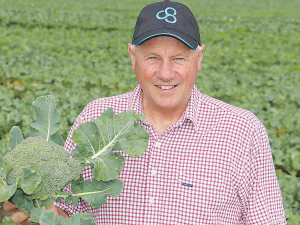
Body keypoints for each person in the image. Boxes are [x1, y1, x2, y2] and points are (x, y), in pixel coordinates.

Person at [4, 0, 287, 224]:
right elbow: (63, 211)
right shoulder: (96, 117)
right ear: (132, 57)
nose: (165, 73)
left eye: (179, 58)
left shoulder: (242, 131)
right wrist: (35, 212)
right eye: (152, 57)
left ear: (199, 59)